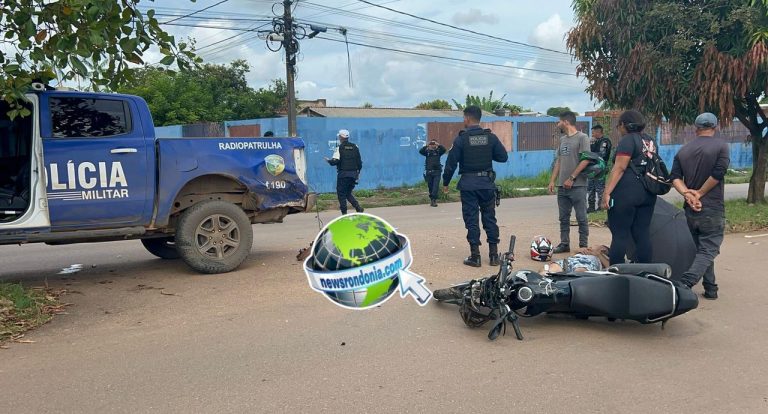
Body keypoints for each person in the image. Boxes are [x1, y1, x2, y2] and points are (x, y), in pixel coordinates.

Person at [671, 112, 730, 300]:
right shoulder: (721, 146)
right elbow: (719, 173)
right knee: (709, 248)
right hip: (711, 206)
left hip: (690, 209)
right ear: (715, 126)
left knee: (701, 249)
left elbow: (675, 178)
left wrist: (687, 194)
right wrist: (700, 193)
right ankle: (686, 282)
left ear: (696, 128)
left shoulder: (683, 150)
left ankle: (711, 288)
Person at [442, 105, 508, 267]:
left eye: (463, 118)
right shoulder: (490, 138)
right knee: (489, 218)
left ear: (467, 118)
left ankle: (475, 256)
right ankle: (493, 256)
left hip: (469, 186)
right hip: (486, 184)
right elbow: (503, 157)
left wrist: (445, 183)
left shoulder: (461, 139)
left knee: (472, 220)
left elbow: (451, 164)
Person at [601, 110, 657, 265]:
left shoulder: (627, 140)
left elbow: (619, 168)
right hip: (648, 193)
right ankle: (646, 272)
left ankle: (616, 273)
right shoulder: (650, 141)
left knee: (620, 235)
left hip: (626, 193)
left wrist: (607, 192)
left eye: (619, 126)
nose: (618, 129)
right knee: (642, 234)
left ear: (624, 125)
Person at [548, 111, 591, 254]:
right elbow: (559, 161)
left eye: (559, 121)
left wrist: (572, 178)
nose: (558, 124)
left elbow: (586, 159)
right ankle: (564, 243)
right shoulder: (562, 140)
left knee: (581, 217)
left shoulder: (583, 138)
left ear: (566, 122)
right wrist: (553, 180)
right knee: (563, 217)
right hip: (562, 186)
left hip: (578, 185)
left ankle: (583, 245)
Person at [324, 129, 363, 215]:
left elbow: (335, 162)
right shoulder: (355, 147)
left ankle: (344, 214)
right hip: (353, 175)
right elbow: (359, 163)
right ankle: (358, 207)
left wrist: (328, 161)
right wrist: (358, 173)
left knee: (341, 193)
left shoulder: (339, 148)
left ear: (340, 137)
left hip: (343, 175)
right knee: (348, 193)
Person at [586, 124, 612, 213]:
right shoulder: (594, 141)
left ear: (598, 132)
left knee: (600, 189)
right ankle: (591, 207)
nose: (592, 134)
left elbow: (602, 154)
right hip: (591, 168)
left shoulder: (605, 141)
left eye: (593, 132)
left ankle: (601, 207)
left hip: (600, 168)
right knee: (590, 188)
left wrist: (589, 154)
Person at [540, 245, 610, 274]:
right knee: (547, 268)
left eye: (594, 246)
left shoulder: (600, 258)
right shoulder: (583, 253)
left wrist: (598, 254)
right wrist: (577, 251)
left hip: (587, 264)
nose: (590, 248)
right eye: (590, 247)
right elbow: (571, 257)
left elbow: (610, 267)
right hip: (569, 262)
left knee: (579, 270)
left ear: (602, 250)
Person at [419, 140, 447, 207]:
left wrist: (438, 144)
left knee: (435, 186)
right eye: (431, 144)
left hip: (437, 172)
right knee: (430, 187)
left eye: (434, 144)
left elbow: (444, 150)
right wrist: (427, 145)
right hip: (429, 172)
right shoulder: (427, 152)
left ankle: (434, 200)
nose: (432, 145)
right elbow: (420, 151)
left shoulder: (438, 151)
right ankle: (432, 200)